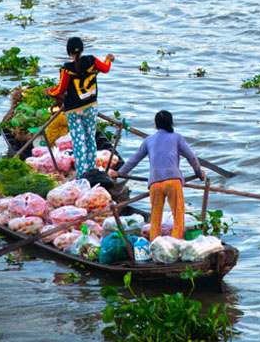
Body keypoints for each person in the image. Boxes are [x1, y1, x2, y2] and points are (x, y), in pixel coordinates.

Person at [110, 110, 204, 241]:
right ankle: (176, 245)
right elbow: (191, 157)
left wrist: (119, 173)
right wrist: (199, 173)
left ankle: (155, 245)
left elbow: (134, 159)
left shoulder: (149, 140)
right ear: (171, 123)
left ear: (156, 125)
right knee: (178, 218)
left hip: (155, 184)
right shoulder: (177, 137)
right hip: (173, 182)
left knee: (155, 219)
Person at [47, 37, 114, 179]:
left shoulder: (67, 69)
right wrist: (108, 59)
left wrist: (49, 92)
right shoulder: (92, 61)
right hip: (90, 107)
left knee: (78, 141)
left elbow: (60, 89)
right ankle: (92, 169)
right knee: (90, 137)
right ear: (82, 49)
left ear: (68, 52)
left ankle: (82, 173)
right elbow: (106, 68)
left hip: (73, 110)